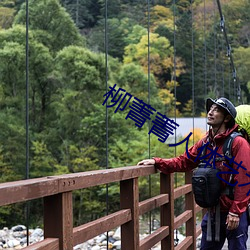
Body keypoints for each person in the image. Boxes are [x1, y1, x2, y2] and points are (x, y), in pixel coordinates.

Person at [137, 97, 250, 250]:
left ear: (227, 118)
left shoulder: (238, 143)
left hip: (233, 211)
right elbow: (184, 161)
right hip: (213, 211)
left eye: (216, 110)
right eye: (210, 109)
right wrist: (158, 162)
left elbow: (244, 179)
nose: (210, 112)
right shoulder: (205, 143)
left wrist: (236, 212)